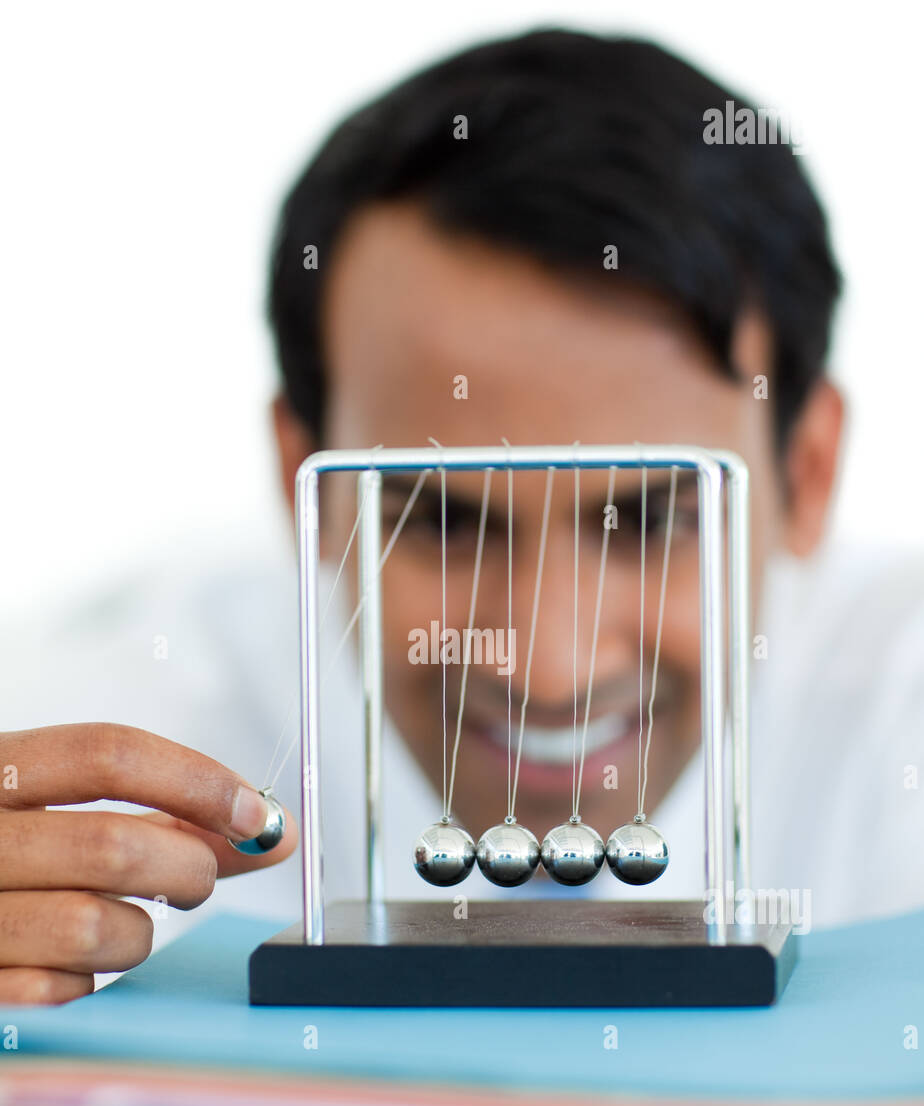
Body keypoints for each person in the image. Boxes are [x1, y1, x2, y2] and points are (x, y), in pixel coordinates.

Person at [2, 29, 922, 1006]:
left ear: (810, 474)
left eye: (653, 523)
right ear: (298, 476)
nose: (548, 668)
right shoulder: (80, 752)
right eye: (440, 522)